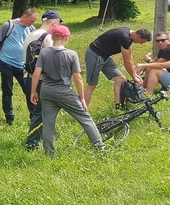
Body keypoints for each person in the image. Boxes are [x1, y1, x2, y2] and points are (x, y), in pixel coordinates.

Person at [30, 25, 105, 156]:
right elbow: (78, 79)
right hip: (64, 92)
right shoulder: (72, 55)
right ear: (66, 38)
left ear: (52, 37)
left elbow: (36, 74)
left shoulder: (44, 52)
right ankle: (101, 147)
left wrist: (33, 92)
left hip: (46, 91)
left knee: (48, 123)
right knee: (85, 119)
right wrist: (82, 98)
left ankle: (49, 153)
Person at [22, 9, 62, 150]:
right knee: (41, 112)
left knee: (35, 112)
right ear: (54, 22)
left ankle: (44, 136)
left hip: (27, 77)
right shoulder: (48, 38)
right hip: (40, 80)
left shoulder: (30, 34)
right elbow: (53, 60)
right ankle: (31, 143)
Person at [84, 27, 152, 108]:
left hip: (105, 56)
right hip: (95, 54)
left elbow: (130, 57)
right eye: (141, 42)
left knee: (120, 79)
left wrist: (135, 75)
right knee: (92, 84)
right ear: (138, 36)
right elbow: (126, 61)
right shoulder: (124, 37)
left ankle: (118, 105)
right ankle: (83, 110)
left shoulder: (129, 35)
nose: (140, 44)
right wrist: (134, 77)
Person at [0, 8, 38, 125]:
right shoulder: (9, 25)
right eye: (31, 21)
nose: (33, 24)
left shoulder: (31, 29)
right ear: (25, 17)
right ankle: (9, 117)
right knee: (7, 91)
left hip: (22, 66)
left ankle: (33, 117)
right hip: (6, 63)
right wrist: (0, 54)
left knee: (29, 90)